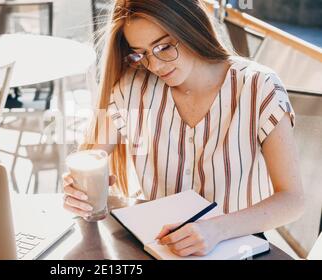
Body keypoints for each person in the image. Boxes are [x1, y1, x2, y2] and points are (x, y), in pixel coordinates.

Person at [63, 0, 304, 257]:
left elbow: (293, 200)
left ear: (191, 27)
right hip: (159, 246)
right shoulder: (131, 88)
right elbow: (89, 158)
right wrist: (76, 192)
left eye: (164, 47)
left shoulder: (258, 86)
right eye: (140, 53)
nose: (154, 65)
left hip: (238, 245)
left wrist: (215, 230)